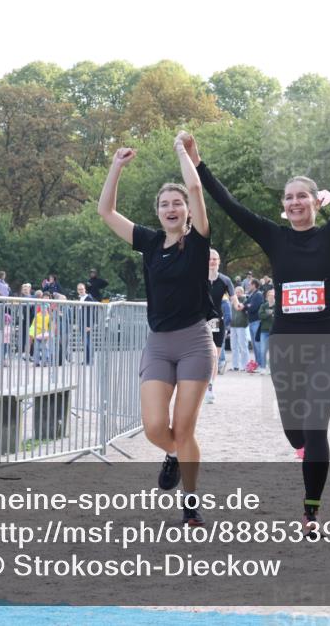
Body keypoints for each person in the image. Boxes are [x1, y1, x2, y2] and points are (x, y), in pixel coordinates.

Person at [182, 111, 330, 532]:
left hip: (328, 341)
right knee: (294, 430)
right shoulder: (274, 236)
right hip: (286, 344)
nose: (295, 203)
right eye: (288, 198)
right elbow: (230, 205)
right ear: (283, 207)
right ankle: (304, 452)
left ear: (315, 202)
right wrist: (198, 162)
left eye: (302, 196)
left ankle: (310, 510)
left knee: (316, 425)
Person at [99, 138, 215, 527]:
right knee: (153, 427)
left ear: (187, 211)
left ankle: (191, 503)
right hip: (159, 344)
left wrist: (182, 152)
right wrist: (116, 166)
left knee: (184, 427)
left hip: (195, 342)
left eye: (177, 203)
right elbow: (106, 212)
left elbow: (195, 185)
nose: (171, 208)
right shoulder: (149, 242)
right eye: (164, 204)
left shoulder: (198, 241)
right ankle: (174, 454)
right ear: (158, 212)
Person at [206, 249, 236, 403]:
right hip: (200, 320)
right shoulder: (198, 277)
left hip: (216, 320)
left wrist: (237, 304)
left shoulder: (225, 280)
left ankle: (210, 387)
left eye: (215, 259)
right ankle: (200, 385)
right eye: (209, 259)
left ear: (218, 262)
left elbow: (233, 297)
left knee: (214, 356)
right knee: (201, 355)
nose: (212, 261)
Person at [229, 286, 250, 371]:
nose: (237, 294)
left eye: (239, 292)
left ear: (242, 292)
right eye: (236, 292)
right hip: (232, 325)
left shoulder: (245, 300)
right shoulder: (232, 301)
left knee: (243, 346)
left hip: (241, 325)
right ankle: (235, 365)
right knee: (233, 346)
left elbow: (247, 310)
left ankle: (245, 365)